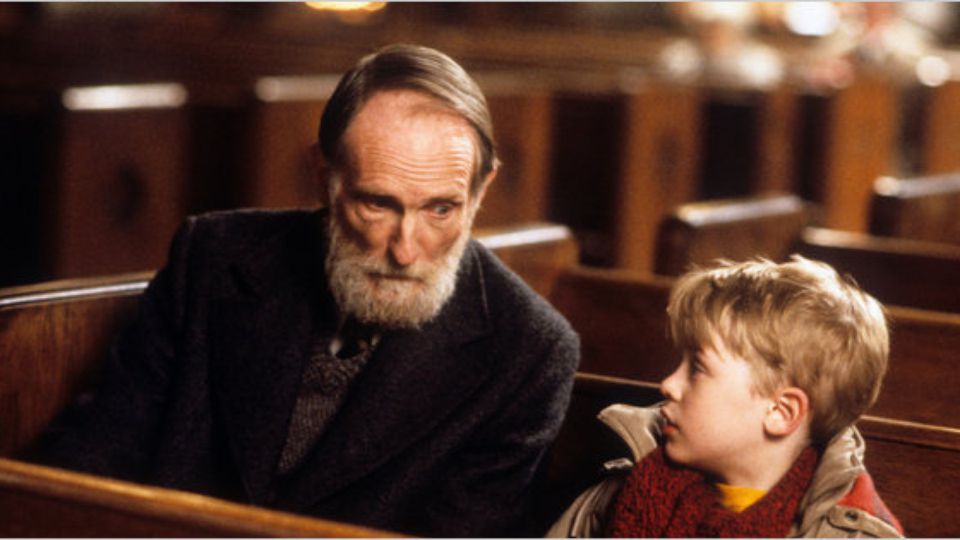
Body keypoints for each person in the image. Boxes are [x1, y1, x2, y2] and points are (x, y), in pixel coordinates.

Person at [29, 43, 580, 537]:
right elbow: (92, 456)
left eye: (441, 209)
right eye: (377, 204)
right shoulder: (214, 256)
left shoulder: (528, 350)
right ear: (324, 176)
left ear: (481, 190)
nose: (406, 250)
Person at [548, 256, 903, 538]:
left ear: (781, 411)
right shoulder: (624, 492)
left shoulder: (848, 534)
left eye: (697, 369)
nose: (668, 384)